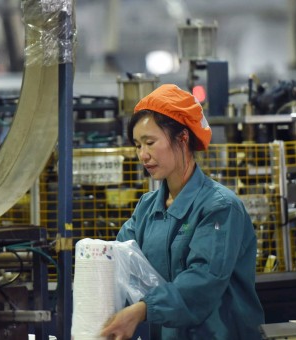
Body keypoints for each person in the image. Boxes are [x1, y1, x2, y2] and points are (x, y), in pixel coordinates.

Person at [100, 84, 264, 339]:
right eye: (137, 145)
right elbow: (120, 260)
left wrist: (141, 311)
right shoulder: (147, 208)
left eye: (150, 142)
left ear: (182, 138)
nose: (143, 155)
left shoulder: (220, 207)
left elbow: (203, 281)